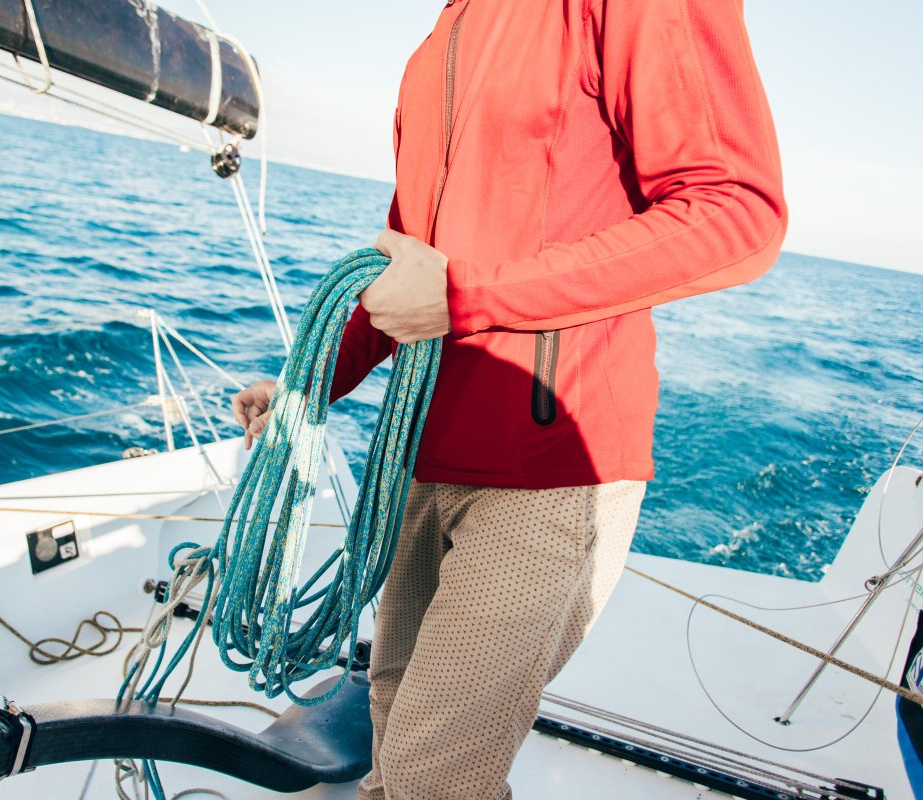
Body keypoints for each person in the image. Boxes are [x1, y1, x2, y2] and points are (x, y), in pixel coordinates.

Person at [232, 0, 786, 796]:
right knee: (391, 718)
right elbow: (410, 252)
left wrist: (463, 295)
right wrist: (311, 382)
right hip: (426, 451)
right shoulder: (449, 27)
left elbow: (738, 212)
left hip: (554, 468)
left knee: (433, 777)